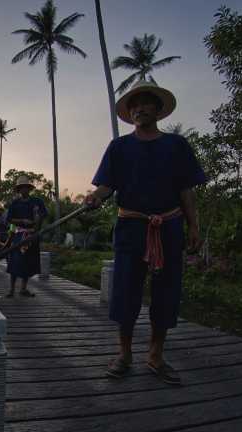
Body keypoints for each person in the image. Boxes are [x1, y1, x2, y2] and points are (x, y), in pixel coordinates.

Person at [84, 80, 207, 385]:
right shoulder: (119, 147)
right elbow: (107, 185)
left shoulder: (176, 145)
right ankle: (124, 354)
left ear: (158, 109)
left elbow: (186, 190)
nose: (139, 109)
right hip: (131, 227)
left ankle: (156, 354)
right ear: (130, 113)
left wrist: (194, 226)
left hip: (169, 225)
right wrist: (95, 197)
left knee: (166, 291)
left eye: (145, 103)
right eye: (134, 105)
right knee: (126, 290)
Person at [5, 175, 47, 298]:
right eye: (22, 187)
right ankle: (11, 289)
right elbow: (9, 219)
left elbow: (43, 214)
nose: (24, 189)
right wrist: (22, 221)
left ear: (29, 188)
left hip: (32, 235)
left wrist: (37, 220)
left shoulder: (37, 202)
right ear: (19, 189)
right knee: (15, 262)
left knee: (28, 262)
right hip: (19, 235)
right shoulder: (15, 203)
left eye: (26, 187)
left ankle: (23, 288)